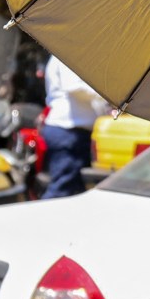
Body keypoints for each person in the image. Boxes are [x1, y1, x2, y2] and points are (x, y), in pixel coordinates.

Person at [40, 53, 107, 197]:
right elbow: (73, 87)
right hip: (68, 131)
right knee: (62, 189)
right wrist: (105, 93)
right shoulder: (67, 55)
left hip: (72, 131)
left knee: (74, 191)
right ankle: (45, 218)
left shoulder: (65, 54)